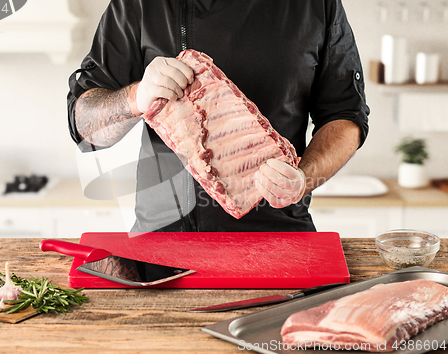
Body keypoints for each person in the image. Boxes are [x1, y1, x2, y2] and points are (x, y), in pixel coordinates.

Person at [67, 0, 369, 233]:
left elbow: (345, 116)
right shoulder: (142, 4)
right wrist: (137, 97)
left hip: (279, 235)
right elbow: (85, 125)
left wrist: (304, 177)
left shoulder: (315, 5)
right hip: (164, 242)